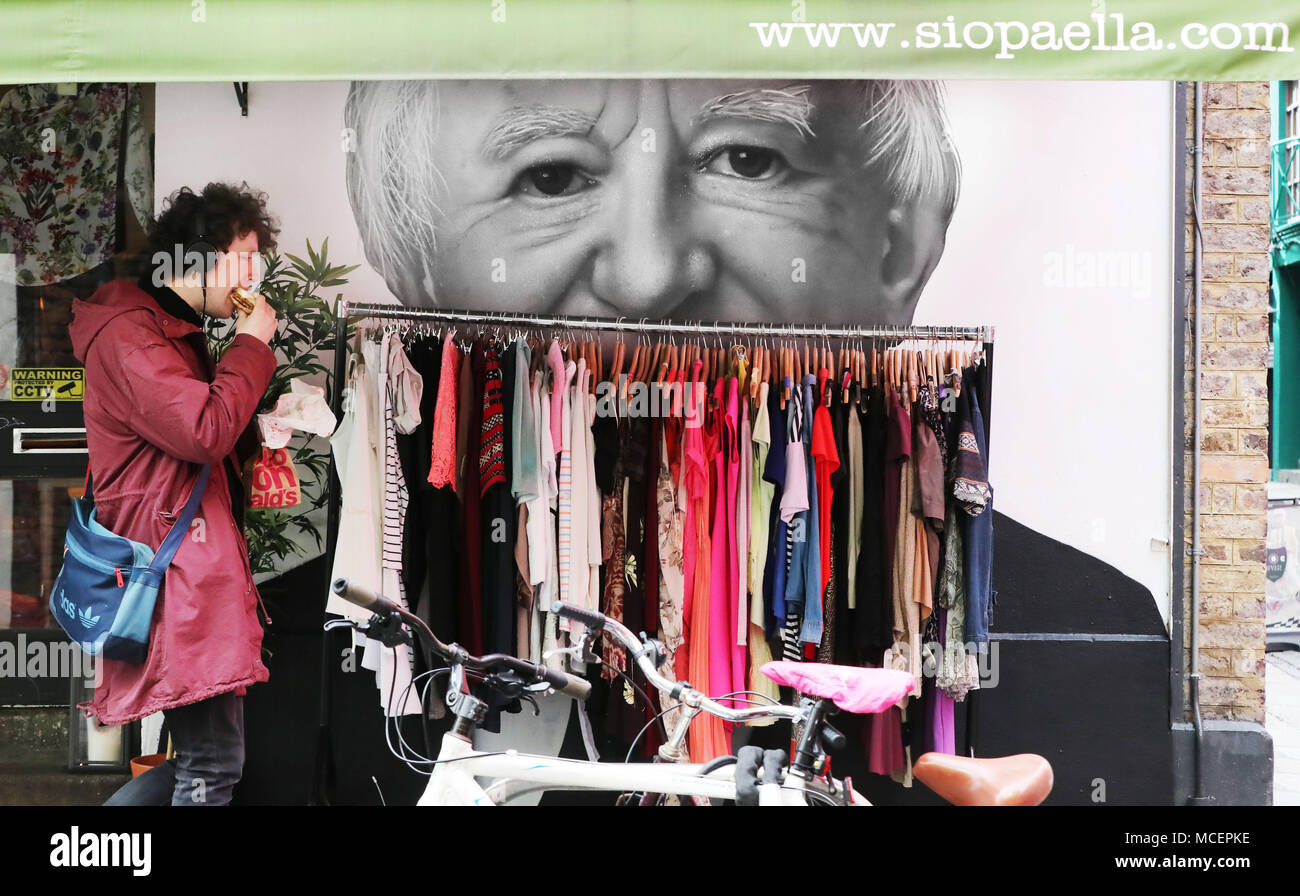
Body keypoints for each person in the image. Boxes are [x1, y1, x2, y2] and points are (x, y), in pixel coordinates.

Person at [68, 182, 281, 805]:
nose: (256, 273)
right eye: (246, 258)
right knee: (212, 765)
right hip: (170, 576)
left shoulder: (168, 330)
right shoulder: (131, 336)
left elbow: (200, 436)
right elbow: (202, 431)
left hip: (183, 572)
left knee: (205, 759)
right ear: (202, 259)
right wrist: (253, 346)